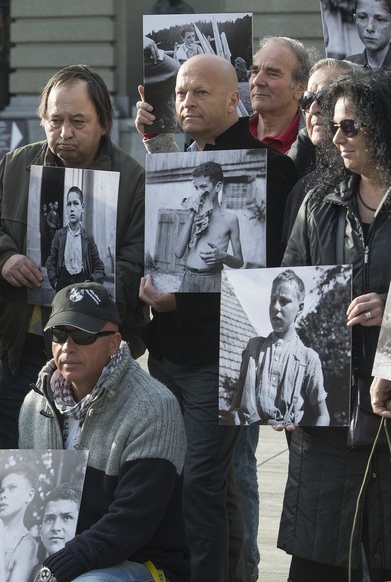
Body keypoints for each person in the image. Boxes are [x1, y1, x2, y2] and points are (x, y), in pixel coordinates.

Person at [135, 54, 298, 580]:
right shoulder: (179, 160)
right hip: (167, 352)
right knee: (209, 482)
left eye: (201, 92)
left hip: (222, 355)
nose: (186, 101)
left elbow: (263, 274)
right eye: (182, 92)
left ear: (235, 99)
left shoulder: (268, 168)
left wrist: (182, 299)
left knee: (201, 481)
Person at [0, 64, 146, 449]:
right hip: (22, 347)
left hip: (95, 356)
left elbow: (139, 257)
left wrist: (90, 295)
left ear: (104, 123)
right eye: (55, 120)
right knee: (19, 458)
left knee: (86, 462)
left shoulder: (132, 178)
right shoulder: (14, 167)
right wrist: (4, 256)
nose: (65, 133)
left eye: (78, 121)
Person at [280, 68, 391, 580]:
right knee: (317, 564)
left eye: (353, 127)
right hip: (327, 418)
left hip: (386, 412)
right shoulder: (318, 201)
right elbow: (289, 291)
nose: (339, 137)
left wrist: (388, 308)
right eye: (336, 126)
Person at [19, 282, 188, 581]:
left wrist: (59, 566)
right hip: (59, 559)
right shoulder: (34, 404)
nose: (68, 347)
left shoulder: (154, 408)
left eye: (83, 335)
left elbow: (131, 522)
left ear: (115, 343)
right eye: (59, 334)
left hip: (140, 561)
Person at [231, 269, 329, 426]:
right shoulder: (254, 348)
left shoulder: (308, 358)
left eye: (284, 301)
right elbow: (238, 397)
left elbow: (323, 415)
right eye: (272, 300)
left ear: (300, 308)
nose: (276, 307)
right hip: (250, 434)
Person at [173, 161, 243, 292]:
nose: (199, 193)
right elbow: (178, 252)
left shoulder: (230, 219)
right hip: (188, 277)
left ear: (218, 186)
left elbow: (239, 262)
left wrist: (223, 256)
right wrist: (191, 215)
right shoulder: (194, 216)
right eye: (196, 188)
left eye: (203, 187)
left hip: (212, 280)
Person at [248, 37, 311, 153]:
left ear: (300, 89)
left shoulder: (316, 144)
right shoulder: (227, 134)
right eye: (254, 72)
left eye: (272, 74)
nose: (257, 81)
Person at [45, 186, 105, 292]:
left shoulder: (88, 238)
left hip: (82, 282)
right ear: (66, 209)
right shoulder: (59, 235)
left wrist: (91, 282)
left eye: (76, 203)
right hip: (63, 282)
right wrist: (55, 282)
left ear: (82, 207)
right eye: (69, 204)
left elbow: (99, 266)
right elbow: (51, 261)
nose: (72, 208)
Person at [346, 0, 391, 70]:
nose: (370, 28)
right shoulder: (347, 67)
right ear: (355, 20)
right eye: (362, 17)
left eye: (379, 19)